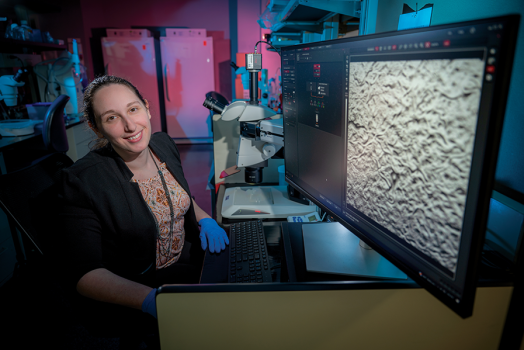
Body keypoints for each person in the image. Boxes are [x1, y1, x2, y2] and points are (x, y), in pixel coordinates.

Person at [59, 75, 228, 346]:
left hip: (185, 261)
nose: (129, 126)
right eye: (112, 118)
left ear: (147, 108)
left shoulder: (163, 144)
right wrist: (152, 299)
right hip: (139, 285)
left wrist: (206, 219)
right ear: (97, 128)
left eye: (133, 109)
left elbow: (181, 196)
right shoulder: (83, 180)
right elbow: (85, 275)